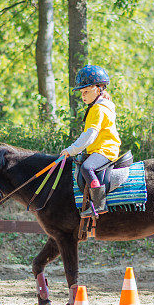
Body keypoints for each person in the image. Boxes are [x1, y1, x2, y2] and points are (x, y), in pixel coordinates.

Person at [60, 64, 121, 217]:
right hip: (101, 149)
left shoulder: (98, 109)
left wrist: (70, 150)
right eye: (82, 92)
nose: (83, 96)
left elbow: (90, 135)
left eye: (86, 91)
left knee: (87, 167)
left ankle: (100, 204)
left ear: (98, 88)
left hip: (105, 150)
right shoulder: (99, 107)